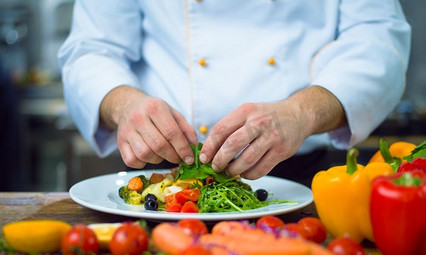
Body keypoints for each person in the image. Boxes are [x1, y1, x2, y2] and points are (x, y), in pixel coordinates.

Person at [58, 1, 411, 186]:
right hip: (163, 181)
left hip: (303, 178)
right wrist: (124, 103)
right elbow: (92, 47)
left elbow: (377, 38)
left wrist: (302, 112)